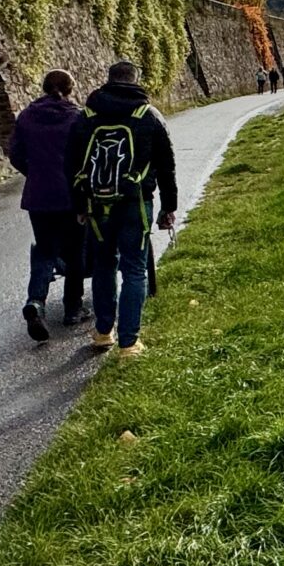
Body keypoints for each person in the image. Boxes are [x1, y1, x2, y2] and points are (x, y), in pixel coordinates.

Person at [66, 58, 177, 356]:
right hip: (136, 204)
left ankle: (103, 332)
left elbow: (71, 164)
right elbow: (166, 167)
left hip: (96, 205)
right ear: (136, 79)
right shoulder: (148, 115)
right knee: (134, 270)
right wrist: (169, 207)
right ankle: (129, 343)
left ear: (108, 79)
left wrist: (79, 204)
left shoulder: (86, 116)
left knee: (103, 266)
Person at [7, 68, 86, 342]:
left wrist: (35, 173)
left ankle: (36, 302)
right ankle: (73, 308)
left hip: (38, 197)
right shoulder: (76, 117)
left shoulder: (27, 116)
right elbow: (85, 156)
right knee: (75, 251)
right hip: (70, 196)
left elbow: (15, 153)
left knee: (45, 251)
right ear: (70, 89)